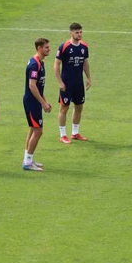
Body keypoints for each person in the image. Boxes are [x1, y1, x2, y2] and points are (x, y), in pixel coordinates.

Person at [55, 22, 92, 143]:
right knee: (64, 108)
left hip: (78, 83)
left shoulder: (84, 47)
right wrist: (60, 82)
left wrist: (88, 78)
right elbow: (56, 64)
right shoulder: (64, 46)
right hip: (67, 83)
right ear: (71, 33)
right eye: (77, 32)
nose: (79, 34)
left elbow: (85, 63)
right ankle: (62, 135)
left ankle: (75, 133)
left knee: (79, 107)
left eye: (81, 32)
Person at [22, 38, 53, 171]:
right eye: (46, 47)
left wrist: (45, 101)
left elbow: (39, 87)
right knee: (38, 131)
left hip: (34, 101)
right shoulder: (35, 64)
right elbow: (32, 86)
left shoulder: (41, 62)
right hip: (31, 101)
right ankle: (28, 162)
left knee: (32, 129)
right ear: (39, 48)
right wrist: (43, 104)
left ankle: (27, 158)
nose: (49, 49)